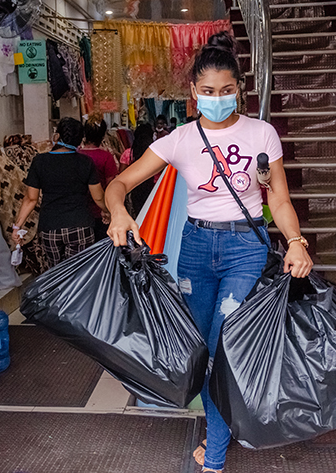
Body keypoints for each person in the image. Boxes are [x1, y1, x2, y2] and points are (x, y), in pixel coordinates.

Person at [106, 31, 313, 473]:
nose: (217, 99)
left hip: (245, 247)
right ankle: (219, 426)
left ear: (239, 88)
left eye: (226, 90)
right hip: (196, 249)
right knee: (199, 347)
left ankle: (214, 456)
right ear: (193, 93)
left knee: (223, 349)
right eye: (207, 92)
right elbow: (119, 183)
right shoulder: (179, 139)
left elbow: (278, 198)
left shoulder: (262, 133)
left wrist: (295, 240)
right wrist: (119, 212)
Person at [12, 117, 108, 269]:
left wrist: (17, 227)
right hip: (80, 226)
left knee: (56, 273)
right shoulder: (85, 162)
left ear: (57, 136)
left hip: (50, 227)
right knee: (79, 274)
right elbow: (98, 196)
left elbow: (31, 199)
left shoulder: (40, 161)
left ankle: (58, 293)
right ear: (80, 140)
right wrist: (107, 212)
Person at [79, 120, 119, 241]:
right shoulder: (106, 157)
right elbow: (110, 185)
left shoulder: (77, 154)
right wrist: (108, 210)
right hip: (100, 211)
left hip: (79, 210)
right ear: (103, 135)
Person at [119, 123, 156, 215]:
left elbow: (121, 174)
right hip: (155, 190)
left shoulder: (128, 154)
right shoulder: (156, 154)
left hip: (134, 191)